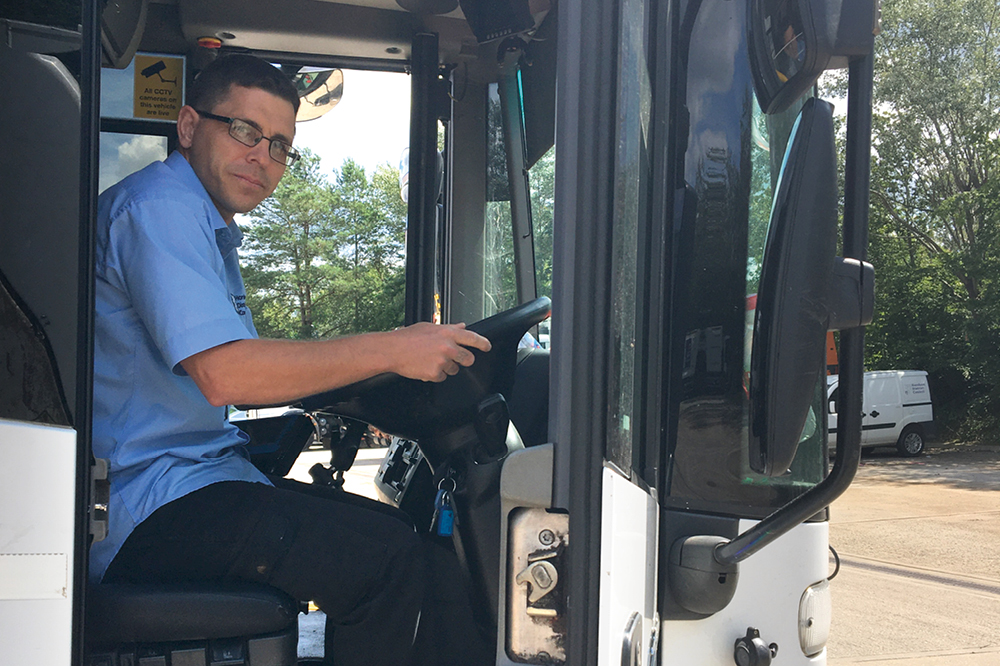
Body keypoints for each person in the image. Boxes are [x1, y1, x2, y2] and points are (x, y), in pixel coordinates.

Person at [91, 54, 493, 666]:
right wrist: (395, 347)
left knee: (407, 547)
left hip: (191, 483)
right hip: (146, 503)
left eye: (281, 145)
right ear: (190, 126)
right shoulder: (159, 209)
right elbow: (229, 374)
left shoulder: (201, 225)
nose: (263, 158)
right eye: (245, 131)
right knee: (387, 564)